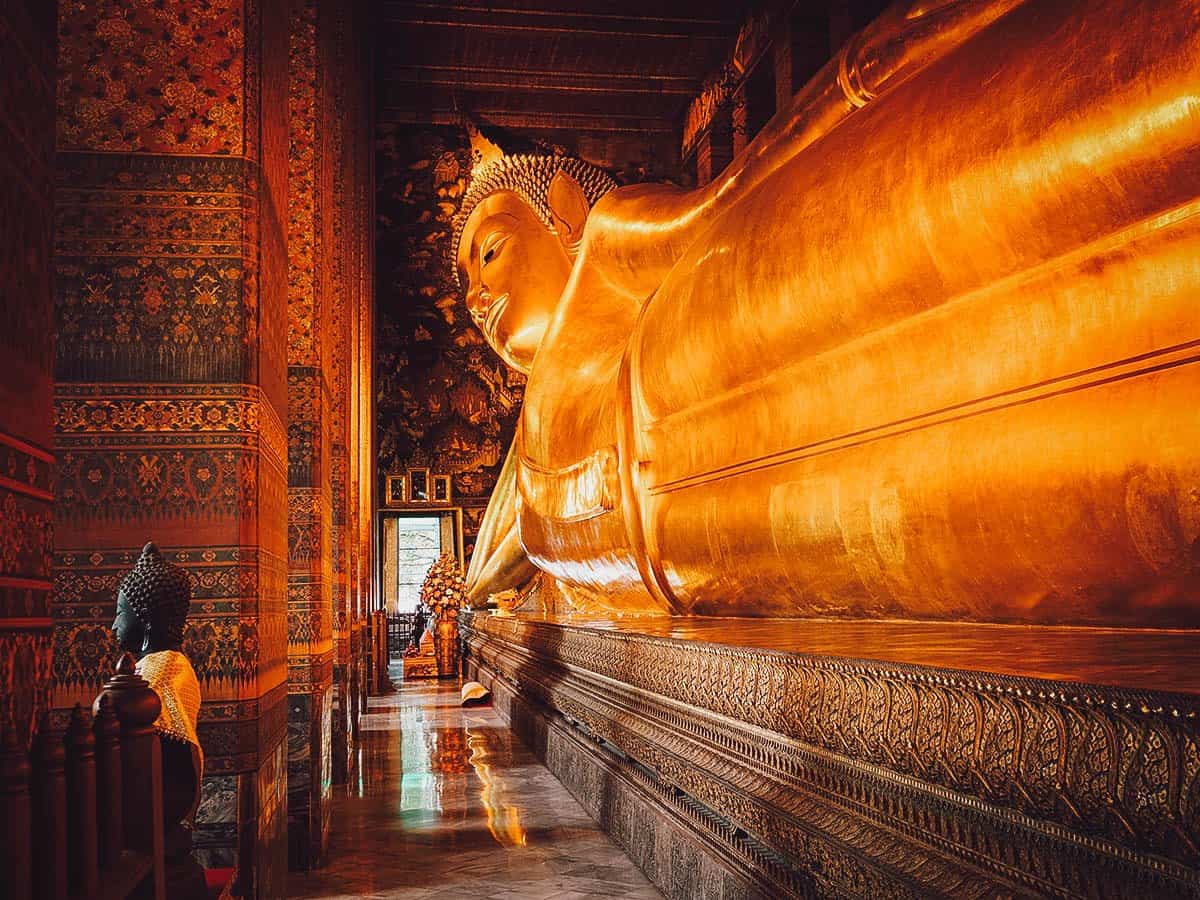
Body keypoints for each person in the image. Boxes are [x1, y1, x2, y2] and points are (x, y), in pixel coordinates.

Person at [458, 0, 1200, 626]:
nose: (477, 297)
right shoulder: (528, 445)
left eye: (489, 254)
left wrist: (860, 77)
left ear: (562, 211)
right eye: (463, 288)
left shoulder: (610, 241)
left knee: (996, 209)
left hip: (702, 346)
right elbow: (520, 551)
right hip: (715, 529)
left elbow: (731, 196)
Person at [112, 541, 206, 898]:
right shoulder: (156, 669)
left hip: (158, 827)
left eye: (120, 613)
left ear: (146, 619)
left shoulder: (160, 677)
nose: (113, 625)